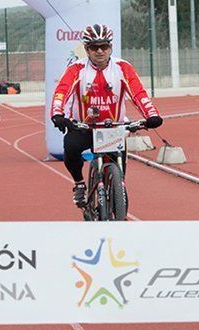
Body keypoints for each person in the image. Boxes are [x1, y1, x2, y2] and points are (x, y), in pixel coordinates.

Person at [50, 24, 162, 208]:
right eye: (94, 47)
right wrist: (57, 114)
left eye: (104, 46)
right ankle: (79, 184)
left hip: (113, 128)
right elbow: (62, 92)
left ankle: (117, 191)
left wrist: (152, 115)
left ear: (111, 47)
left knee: (119, 174)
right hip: (84, 127)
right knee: (70, 148)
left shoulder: (122, 67)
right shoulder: (76, 68)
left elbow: (138, 93)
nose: (100, 51)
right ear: (86, 49)